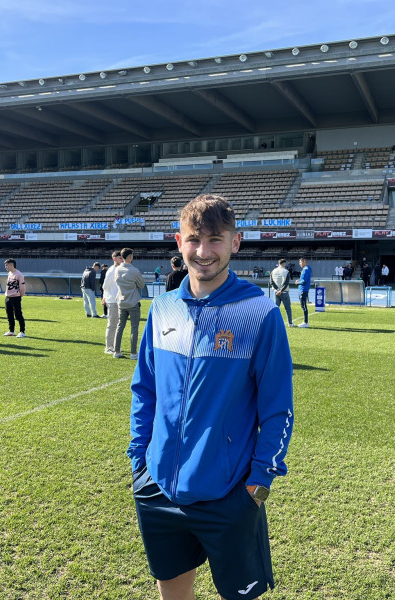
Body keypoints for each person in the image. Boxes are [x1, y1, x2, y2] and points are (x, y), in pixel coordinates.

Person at [128, 193, 294, 600]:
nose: (203, 252)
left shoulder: (259, 313)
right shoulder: (163, 308)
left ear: (235, 242)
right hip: (157, 488)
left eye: (216, 239)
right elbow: (144, 389)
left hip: (230, 494)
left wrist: (259, 485)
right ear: (178, 241)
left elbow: (278, 409)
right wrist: (138, 462)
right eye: (194, 240)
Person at [113, 248, 145, 359]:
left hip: (121, 301)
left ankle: (116, 351)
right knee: (134, 328)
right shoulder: (134, 270)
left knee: (120, 326)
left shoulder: (117, 270)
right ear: (130, 257)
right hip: (133, 302)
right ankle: (133, 353)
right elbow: (141, 285)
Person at [102, 250, 124, 354]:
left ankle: (115, 345)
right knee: (112, 324)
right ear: (114, 258)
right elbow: (105, 286)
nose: (122, 259)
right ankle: (108, 347)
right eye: (120, 258)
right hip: (112, 301)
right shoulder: (111, 271)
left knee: (117, 324)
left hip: (118, 300)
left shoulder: (119, 269)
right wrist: (106, 296)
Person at [3, 258, 26, 337]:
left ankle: (22, 331)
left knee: (18, 314)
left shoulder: (19, 274)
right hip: (8, 297)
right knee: (9, 315)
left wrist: (19, 296)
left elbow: (22, 287)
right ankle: (11, 330)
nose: (6, 267)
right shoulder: (9, 273)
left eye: (7, 265)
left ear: (12, 265)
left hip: (15, 297)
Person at [270, 258, 295, 327]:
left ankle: (274, 322)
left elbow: (271, 282)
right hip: (284, 292)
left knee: (276, 308)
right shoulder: (286, 271)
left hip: (276, 292)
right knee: (288, 308)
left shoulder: (273, 271)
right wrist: (281, 290)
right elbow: (286, 282)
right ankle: (290, 323)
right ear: (284, 263)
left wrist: (277, 290)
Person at [295, 257, 312, 328]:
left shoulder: (306, 269)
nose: (299, 264)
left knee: (303, 305)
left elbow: (304, 281)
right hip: (304, 289)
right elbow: (305, 279)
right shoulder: (308, 268)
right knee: (303, 305)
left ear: (304, 261)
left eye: (300, 262)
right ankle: (305, 322)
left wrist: (298, 282)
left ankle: (305, 322)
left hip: (303, 289)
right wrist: (300, 280)